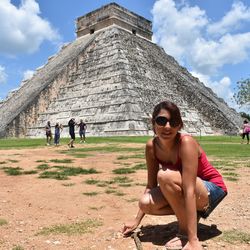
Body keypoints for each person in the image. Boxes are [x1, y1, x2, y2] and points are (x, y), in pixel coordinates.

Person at [122, 101, 227, 250]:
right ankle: (190, 217)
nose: (167, 126)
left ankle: (186, 232)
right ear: (153, 123)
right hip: (189, 189)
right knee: (145, 203)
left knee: (165, 176)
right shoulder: (151, 146)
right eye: (161, 121)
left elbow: (189, 189)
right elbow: (151, 186)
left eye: (174, 122)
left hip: (212, 189)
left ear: (180, 125)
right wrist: (136, 220)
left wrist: (192, 240)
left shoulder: (186, 142)